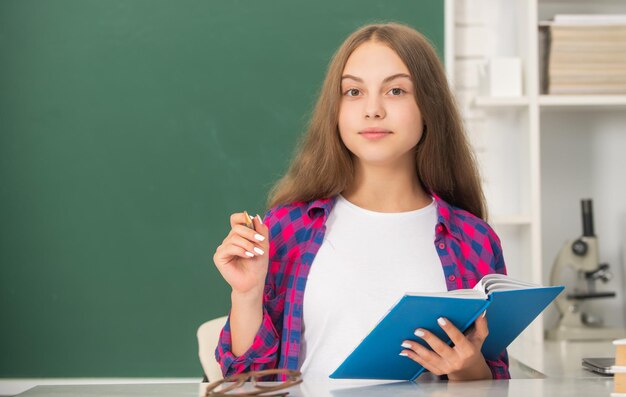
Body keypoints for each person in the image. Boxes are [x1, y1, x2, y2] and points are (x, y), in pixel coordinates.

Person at [212, 22, 510, 382]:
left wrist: (469, 369)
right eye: (353, 92)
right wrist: (247, 294)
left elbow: (494, 379)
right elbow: (245, 380)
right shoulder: (287, 228)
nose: (372, 109)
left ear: (429, 106)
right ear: (335, 109)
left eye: (396, 90)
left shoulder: (474, 239)